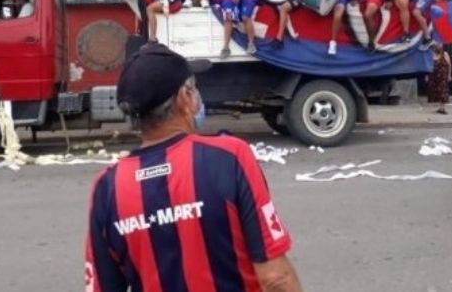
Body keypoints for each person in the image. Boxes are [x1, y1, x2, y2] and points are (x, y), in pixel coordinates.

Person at [86, 43, 303, 292]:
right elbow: (276, 279)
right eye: (192, 88)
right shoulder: (229, 157)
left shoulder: (106, 187)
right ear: (183, 99)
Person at [426, 44, 452, 115]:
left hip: (443, 76)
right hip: (434, 76)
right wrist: (427, 76)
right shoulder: (431, 54)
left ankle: (443, 108)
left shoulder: (445, 54)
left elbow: (449, 65)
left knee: (443, 90)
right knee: (436, 91)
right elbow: (428, 66)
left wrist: (449, 75)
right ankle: (440, 107)